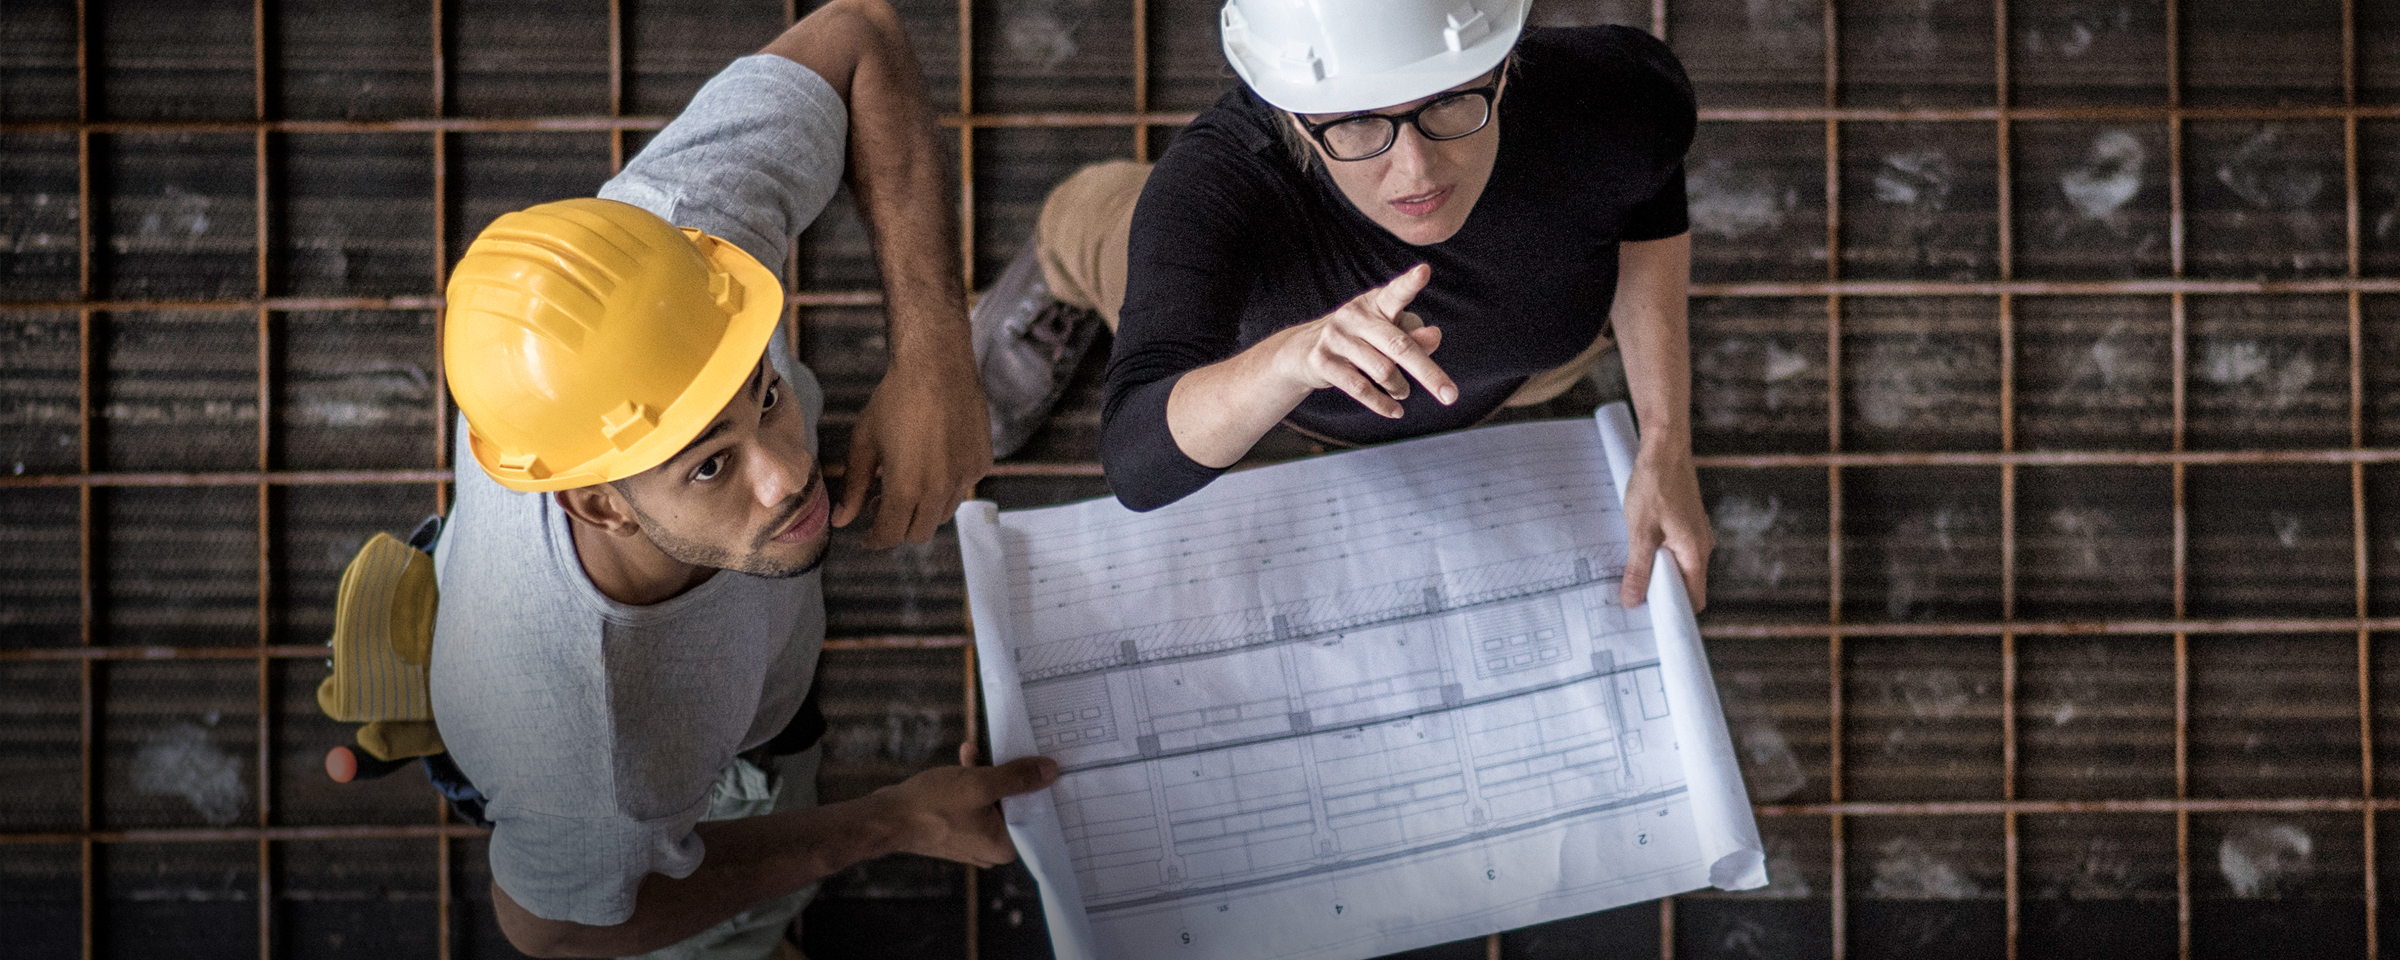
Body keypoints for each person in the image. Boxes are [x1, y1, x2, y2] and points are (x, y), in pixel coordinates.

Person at [428, 3, 1056, 958]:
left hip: (739, 667)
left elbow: (857, 37)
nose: (793, 473)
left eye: (764, 391)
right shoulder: (601, 753)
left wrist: (936, 358)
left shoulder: (673, 258)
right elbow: (549, 926)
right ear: (597, 500)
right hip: (713, 765)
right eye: (712, 462)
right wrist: (892, 822)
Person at [976, 0, 1715, 610]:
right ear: (1294, 116)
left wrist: (1664, 437)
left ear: (1504, 64)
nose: (1416, 169)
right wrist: (1290, 358)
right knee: (1108, 235)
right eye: (1356, 121)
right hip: (1255, 357)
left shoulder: (1613, 92)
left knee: (1564, 352)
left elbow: (1648, 192)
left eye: (1451, 101)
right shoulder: (1211, 192)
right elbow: (1137, 459)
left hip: (1513, 376)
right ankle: (1062, 261)